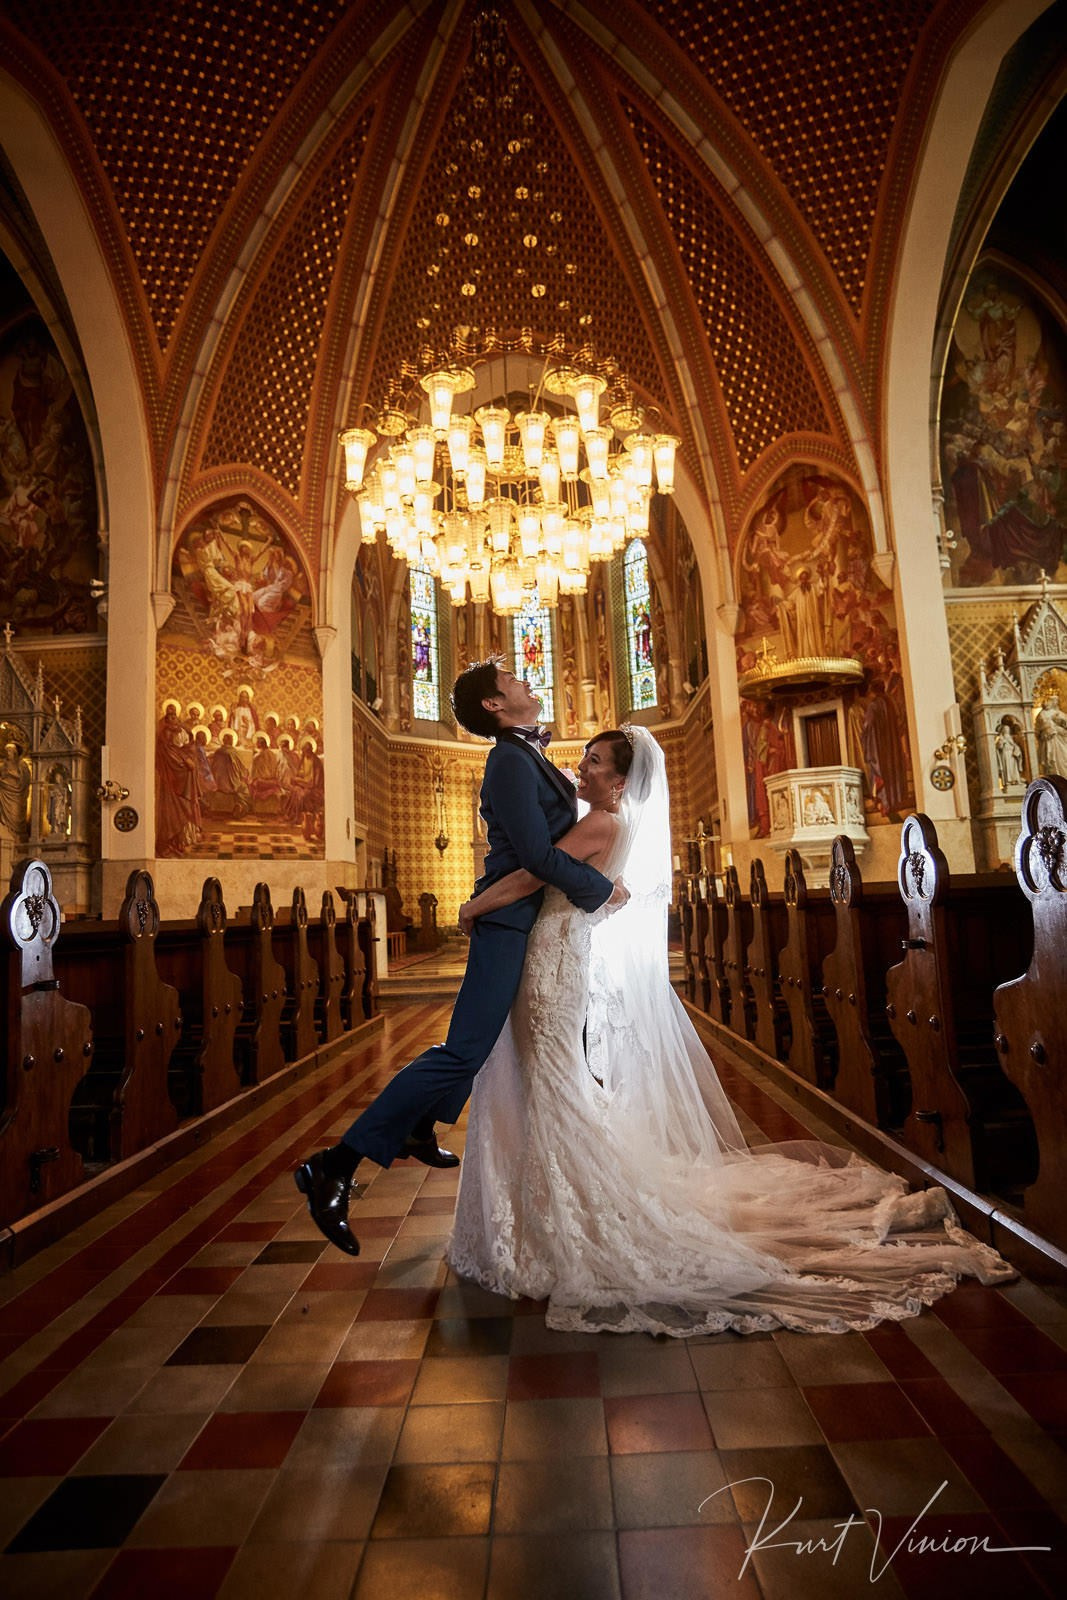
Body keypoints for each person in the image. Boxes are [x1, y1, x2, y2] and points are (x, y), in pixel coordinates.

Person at [447, 725, 1013, 1336]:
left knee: (555, 1082)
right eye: (583, 762)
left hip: (554, 963)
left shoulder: (599, 824)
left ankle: (571, 1215)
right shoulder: (617, 826)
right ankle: (554, 1209)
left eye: (593, 764)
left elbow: (535, 875)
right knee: (558, 1082)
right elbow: (597, 888)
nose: (581, 771)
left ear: (618, 781)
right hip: (561, 957)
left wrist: (472, 905)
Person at [294, 658, 629, 1255]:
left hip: (525, 921)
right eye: (513, 681)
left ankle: (421, 1124)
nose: (528, 680)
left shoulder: (524, 755)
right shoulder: (507, 759)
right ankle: (335, 1166)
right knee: (465, 1051)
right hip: (509, 921)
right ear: (495, 706)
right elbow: (536, 858)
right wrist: (601, 891)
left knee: (488, 1040)